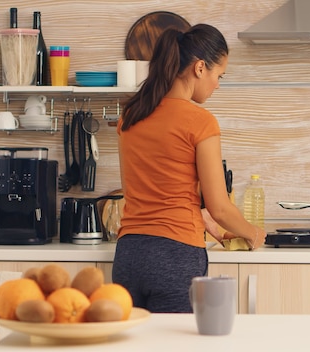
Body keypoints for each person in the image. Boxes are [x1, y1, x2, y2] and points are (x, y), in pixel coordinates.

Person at [112, 23, 266, 313]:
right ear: (199, 68)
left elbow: (139, 192)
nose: (217, 84)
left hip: (129, 254)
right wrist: (253, 232)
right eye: (218, 75)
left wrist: (201, 217)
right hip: (175, 255)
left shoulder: (130, 116)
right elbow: (220, 206)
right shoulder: (200, 121)